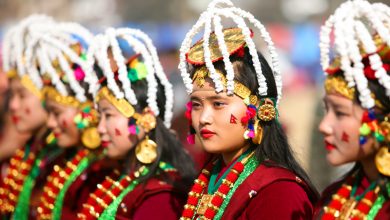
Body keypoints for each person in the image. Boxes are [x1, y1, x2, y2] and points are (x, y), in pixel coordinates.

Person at [178, 0, 318, 219]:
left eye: (218, 104)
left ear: (261, 109)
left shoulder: (279, 192)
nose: (203, 118)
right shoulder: (208, 176)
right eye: (197, 104)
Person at [77, 27, 196, 219]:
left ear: (145, 119)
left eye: (108, 116)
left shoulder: (160, 196)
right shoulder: (121, 175)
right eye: (99, 118)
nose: (99, 129)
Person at [24, 19, 115, 220]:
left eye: (56, 113)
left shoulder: (105, 169)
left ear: (87, 109)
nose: (50, 123)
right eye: (48, 113)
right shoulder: (59, 159)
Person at [314, 0, 390, 219]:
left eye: (340, 113)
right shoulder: (332, 197)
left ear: (383, 121)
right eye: (326, 110)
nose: (324, 126)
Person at [0, 15, 64, 220]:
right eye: (11, 95)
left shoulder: (62, 158)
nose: (13, 105)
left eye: (22, 95)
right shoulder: (32, 150)